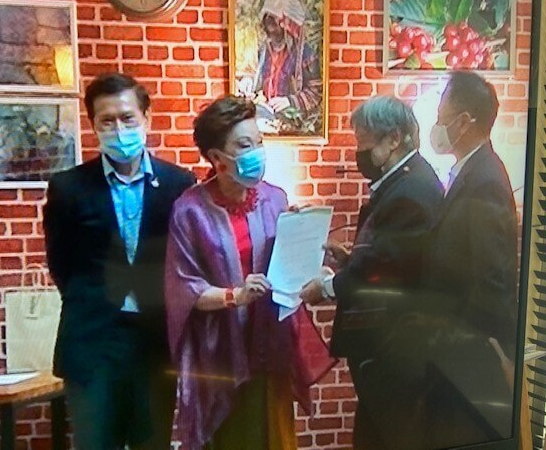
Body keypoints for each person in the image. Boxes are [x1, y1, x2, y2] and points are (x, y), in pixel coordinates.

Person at [165, 95, 332, 450]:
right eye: (244, 145)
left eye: (259, 142)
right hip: (220, 354)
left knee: (274, 437)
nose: (257, 152)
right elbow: (184, 288)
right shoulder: (190, 210)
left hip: (270, 345)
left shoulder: (275, 199)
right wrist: (235, 296)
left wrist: (303, 238)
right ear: (217, 158)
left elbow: (286, 266)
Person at [43, 73, 195, 450]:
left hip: (154, 341)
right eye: (107, 120)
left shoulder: (178, 184)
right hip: (93, 342)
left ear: (147, 118)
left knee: (153, 444)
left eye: (127, 118)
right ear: (93, 125)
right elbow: (61, 264)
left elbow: (185, 260)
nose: (118, 129)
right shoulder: (68, 187)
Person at [300, 95, 444, 449]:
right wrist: (351, 259)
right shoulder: (405, 181)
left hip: (394, 348)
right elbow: (391, 257)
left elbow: (390, 271)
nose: (359, 152)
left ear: (393, 139)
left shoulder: (411, 190)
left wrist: (328, 286)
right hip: (389, 347)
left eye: (363, 142)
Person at [422, 70, 518, 448]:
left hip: (471, 360)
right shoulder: (469, 172)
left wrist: (491, 353)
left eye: (441, 117)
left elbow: (492, 277)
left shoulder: (485, 181)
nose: (436, 127)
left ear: (464, 122)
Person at [245, 0, 322, 116]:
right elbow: (255, 76)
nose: (271, 29)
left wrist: (289, 101)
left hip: (291, 120)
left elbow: (315, 94)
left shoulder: (305, 54)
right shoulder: (263, 50)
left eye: (275, 23)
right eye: (267, 21)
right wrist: (248, 82)